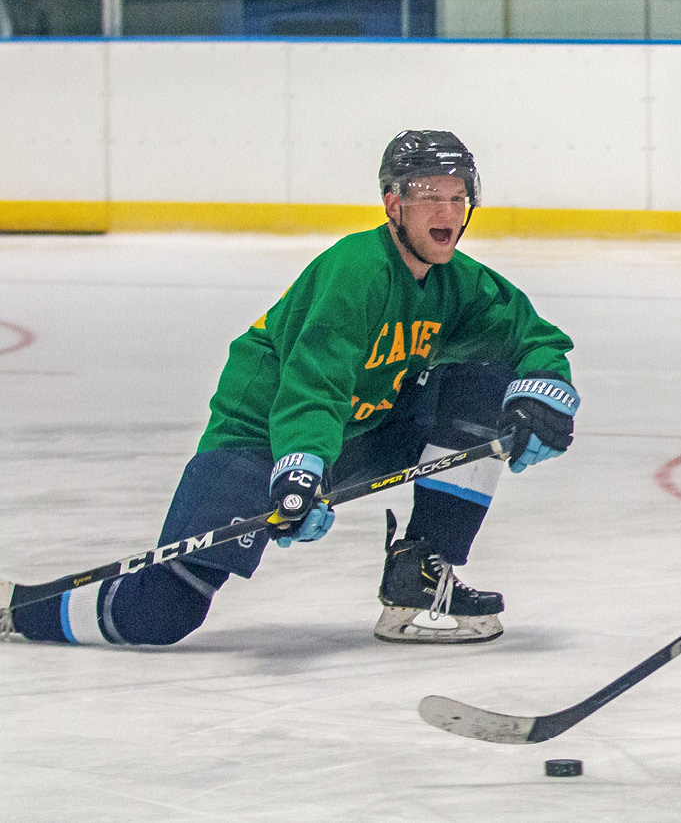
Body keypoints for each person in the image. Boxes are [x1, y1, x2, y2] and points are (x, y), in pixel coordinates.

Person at [7, 130, 578, 647]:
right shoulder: (356, 267)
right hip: (259, 439)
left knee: (487, 383)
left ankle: (421, 576)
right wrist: (301, 468)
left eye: (458, 197)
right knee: (157, 613)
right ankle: (15, 610)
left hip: (359, 431)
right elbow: (315, 381)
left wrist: (544, 391)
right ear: (393, 204)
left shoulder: (460, 282)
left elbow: (531, 336)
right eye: (431, 195)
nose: (447, 211)